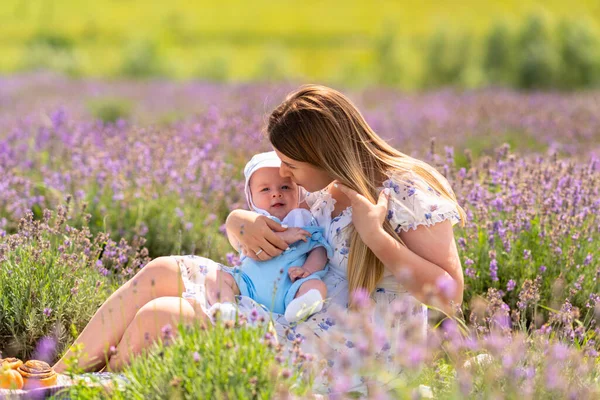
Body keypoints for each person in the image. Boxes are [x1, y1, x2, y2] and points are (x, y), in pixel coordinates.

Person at [54, 84, 465, 382]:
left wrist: (376, 238)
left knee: (162, 316)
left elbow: (451, 297)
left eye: (291, 164)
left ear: (321, 153)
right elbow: (274, 237)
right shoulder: (325, 189)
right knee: (163, 270)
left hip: (343, 350)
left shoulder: (405, 190)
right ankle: (54, 378)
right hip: (287, 306)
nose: (284, 174)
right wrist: (239, 221)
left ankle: (98, 389)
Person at [203, 151, 331, 323]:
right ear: (251, 198)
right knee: (215, 276)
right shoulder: (254, 222)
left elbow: (319, 248)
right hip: (245, 285)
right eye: (265, 189)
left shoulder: (303, 221)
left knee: (316, 286)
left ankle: (302, 305)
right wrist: (285, 235)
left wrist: (308, 270)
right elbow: (249, 238)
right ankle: (226, 307)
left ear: (298, 192)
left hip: (290, 289)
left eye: (285, 187)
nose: (276, 194)